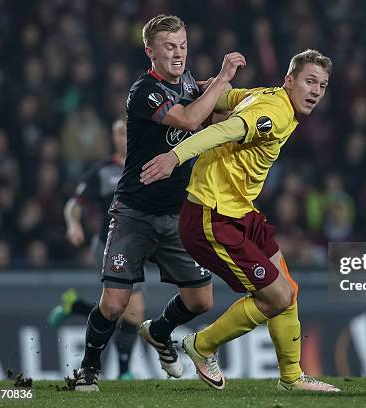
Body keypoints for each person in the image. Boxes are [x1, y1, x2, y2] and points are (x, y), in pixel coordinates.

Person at [140, 49, 340, 392]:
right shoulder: (274, 114)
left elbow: (222, 98)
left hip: (240, 209)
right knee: (276, 297)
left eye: (321, 85)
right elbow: (224, 130)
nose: (315, 92)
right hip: (211, 215)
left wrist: (199, 84)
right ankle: (201, 345)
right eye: (309, 82)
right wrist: (175, 156)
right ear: (289, 81)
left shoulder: (267, 94)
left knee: (288, 289)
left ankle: (292, 378)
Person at [75, 14, 246, 391]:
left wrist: (243, 109)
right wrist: (222, 79)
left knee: (201, 301)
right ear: (150, 51)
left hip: (177, 211)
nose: (178, 53)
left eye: (183, 45)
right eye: (169, 47)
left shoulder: (186, 81)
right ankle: (88, 368)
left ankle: (160, 331)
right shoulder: (143, 91)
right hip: (135, 212)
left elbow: (207, 113)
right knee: (116, 303)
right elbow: (187, 120)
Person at [49, 119, 143, 380]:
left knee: (120, 308)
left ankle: (75, 306)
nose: (125, 137)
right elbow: (74, 204)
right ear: (113, 138)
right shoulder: (103, 171)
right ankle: (124, 373)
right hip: (109, 244)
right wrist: (73, 224)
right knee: (129, 308)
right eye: (120, 133)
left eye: (128, 132)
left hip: (136, 246)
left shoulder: (146, 165)